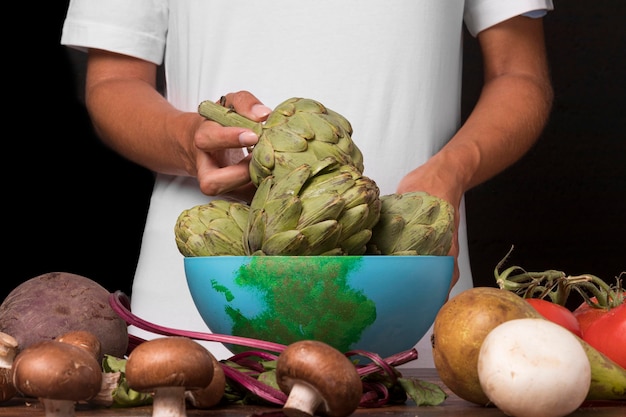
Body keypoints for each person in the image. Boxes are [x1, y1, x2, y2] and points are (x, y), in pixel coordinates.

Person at [61, 1, 554, 367]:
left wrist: (452, 170)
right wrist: (188, 140)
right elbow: (112, 84)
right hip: (199, 314)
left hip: (408, 306)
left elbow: (519, 72)